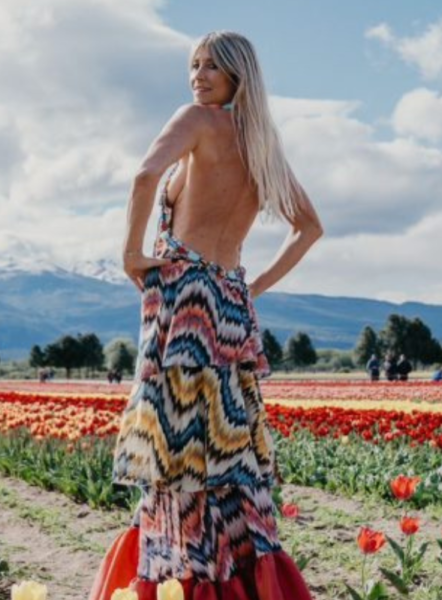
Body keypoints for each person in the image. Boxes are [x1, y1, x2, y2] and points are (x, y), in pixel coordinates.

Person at [89, 31, 322, 600]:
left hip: (184, 301)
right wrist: (252, 286)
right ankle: (237, 574)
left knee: (179, 452)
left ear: (239, 74)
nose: (198, 76)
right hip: (229, 303)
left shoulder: (197, 121)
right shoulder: (261, 144)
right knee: (227, 448)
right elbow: (309, 228)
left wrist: (130, 254)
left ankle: (181, 575)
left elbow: (145, 176)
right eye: (194, 65)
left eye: (212, 66)